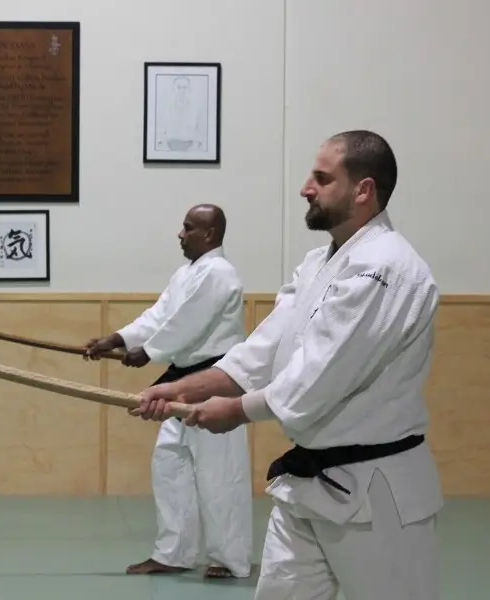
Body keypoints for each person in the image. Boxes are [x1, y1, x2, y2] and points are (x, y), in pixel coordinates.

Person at [131, 130, 443, 599]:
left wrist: (236, 412)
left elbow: (321, 377)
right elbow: (263, 349)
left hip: (376, 494)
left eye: (321, 178)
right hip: (306, 490)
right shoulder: (320, 263)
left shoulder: (386, 267)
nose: (305, 188)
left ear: (363, 190)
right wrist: (182, 389)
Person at [85, 204, 253, 580]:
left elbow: (188, 323)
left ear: (209, 234)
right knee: (169, 464)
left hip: (215, 383)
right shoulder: (186, 274)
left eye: (188, 228)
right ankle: (174, 552)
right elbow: (160, 316)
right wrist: (117, 338)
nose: (180, 234)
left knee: (219, 472)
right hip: (181, 380)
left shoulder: (220, 273)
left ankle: (229, 558)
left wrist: (148, 352)